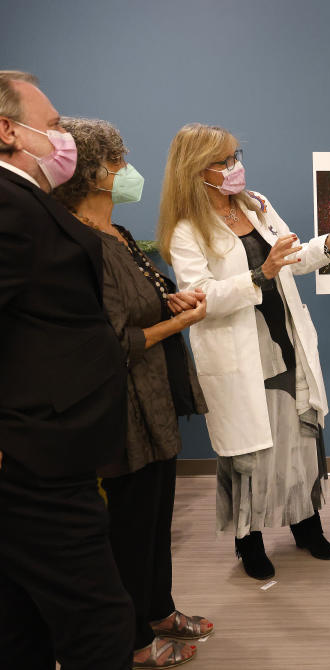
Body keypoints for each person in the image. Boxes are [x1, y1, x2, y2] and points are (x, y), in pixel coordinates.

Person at [157, 124, 330, 580]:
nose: (235, 168)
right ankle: (248, 540)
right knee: (251, 453)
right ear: (196, 172)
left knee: (301, 438)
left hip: (286, 340)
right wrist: (258, 276)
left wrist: (328, 248)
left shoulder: (255, 203)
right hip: (240, 353)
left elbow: (288, 257)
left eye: (237, 156)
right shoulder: (185, 229)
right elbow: (199, 297)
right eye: (224, 161)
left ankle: (306, 524)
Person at [52, 117, 213, 668]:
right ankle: (134, 641)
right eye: (118, 161)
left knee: (155, 518)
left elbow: (140, 304)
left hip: (156, 400)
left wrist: (170, 303)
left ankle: (160, 609)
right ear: (94, 172)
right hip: (124, 409)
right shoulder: (85, 243)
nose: (126, 171)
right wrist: (182, 322)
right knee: (129, 526)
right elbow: (114, 341)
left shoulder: (119, 235)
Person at [0, 71, 135, 668]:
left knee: (23, 616)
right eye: (53, 126)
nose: (64, 137)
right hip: (37, 455)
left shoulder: (27, 203)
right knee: (99, 618)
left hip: (48, 446)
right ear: (9, 130)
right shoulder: (9, 208)